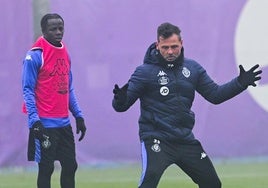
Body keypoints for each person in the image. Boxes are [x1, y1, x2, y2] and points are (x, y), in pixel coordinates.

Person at [112, 22, 262, 188]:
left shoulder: (193, 68)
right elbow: (121, 106)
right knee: (149, 182)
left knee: (212, 183)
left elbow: (215, 95)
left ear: (182, 44)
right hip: (156, 139)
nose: (170, 51)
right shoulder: (144, 72)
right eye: (165, 47)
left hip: (184, 139)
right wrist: (119, 99)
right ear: (158, 45)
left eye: (174, 46)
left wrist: (240, 83)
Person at [22, 13, 86, 188]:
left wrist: (78, 116)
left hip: (64, 123)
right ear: (44, 31)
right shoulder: (35, 55)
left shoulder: (65, 53)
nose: (58, 32)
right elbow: (27, 90)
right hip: (44, 123)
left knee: (71, 166)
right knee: (46, 168)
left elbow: (67, 87)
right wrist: (34, 120)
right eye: (53, 29)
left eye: (61, 28)